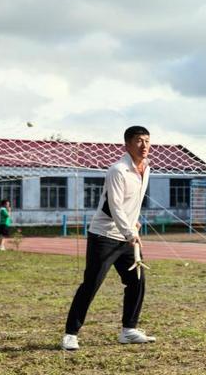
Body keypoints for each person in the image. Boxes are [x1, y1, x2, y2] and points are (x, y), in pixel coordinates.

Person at [61, 126, 155, 351]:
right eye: (139, 141)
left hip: (127, 234)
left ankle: (129, 330)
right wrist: (129, 231)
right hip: (104, 236)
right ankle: (70, 334)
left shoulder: (146, 168)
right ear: (127, 145)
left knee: (137, 282)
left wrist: (134, 222)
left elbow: (129, 203)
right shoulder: (118, 170)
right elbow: (114, 206)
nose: (144, 146)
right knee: (91, 284)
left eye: (147, 141)